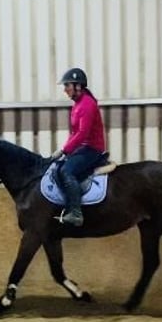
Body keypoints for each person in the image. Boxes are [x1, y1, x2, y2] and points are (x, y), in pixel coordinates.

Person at [52, 67, 107, 227]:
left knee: (66, 171)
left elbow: (83, 133)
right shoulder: (77, 105)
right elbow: (74, 133)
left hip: (92, 148)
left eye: (67, 85)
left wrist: (64, 150)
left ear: (78, 85)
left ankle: (75, 213)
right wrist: (65, 150)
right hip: (82, 148)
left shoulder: (87, 104)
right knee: (59, 166)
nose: (65, 90)